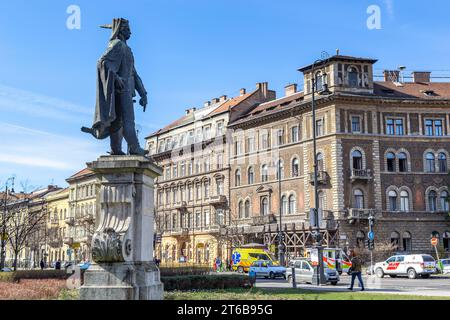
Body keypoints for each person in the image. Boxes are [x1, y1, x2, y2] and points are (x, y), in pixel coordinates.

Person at [82, 18, 148, 156]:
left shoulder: (127, 49)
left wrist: (143, 93)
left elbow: (134, 73)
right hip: (121, 89)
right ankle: (134, 147)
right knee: (127, 120)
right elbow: (102, 62)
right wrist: (116, 78)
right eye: (127, 28)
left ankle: (116, 149)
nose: (130, 31)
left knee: (119, 121)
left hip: (128, 90)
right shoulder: (116, 44)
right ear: (119, 29)